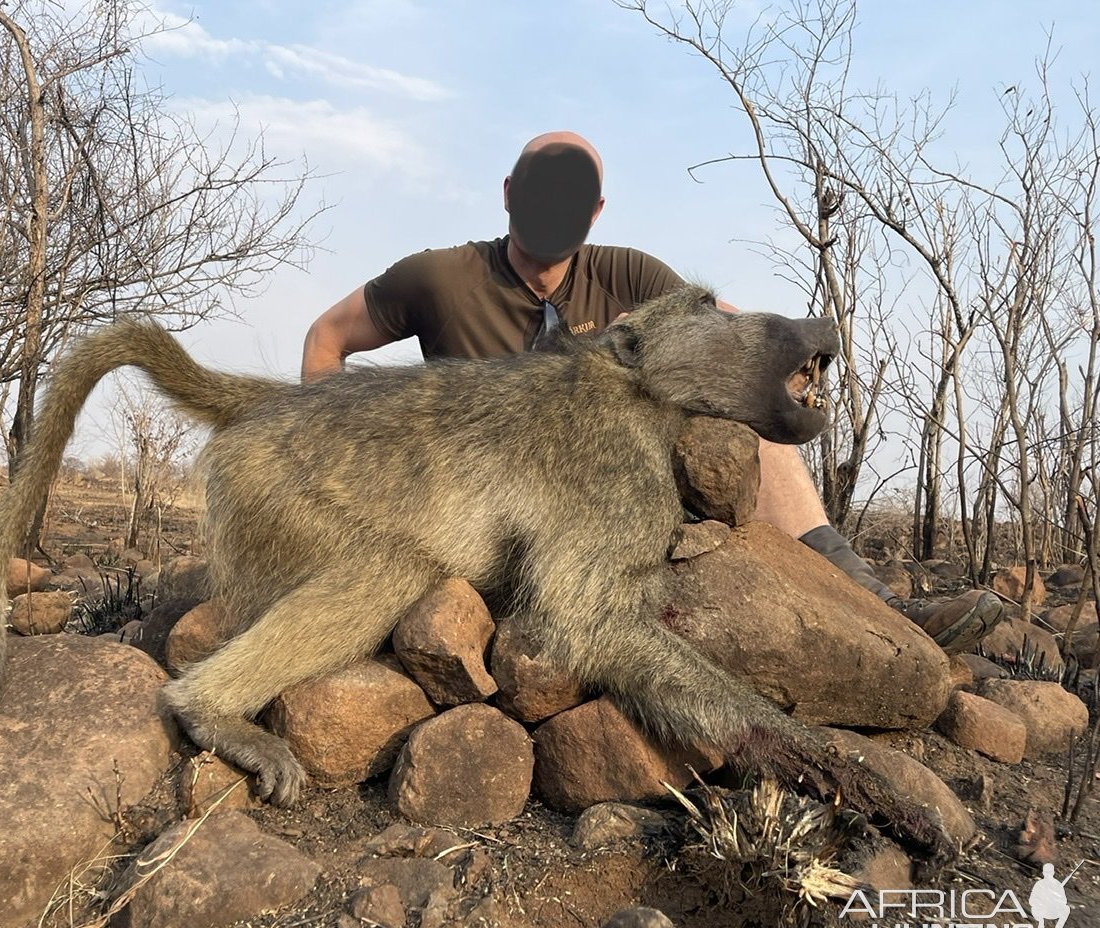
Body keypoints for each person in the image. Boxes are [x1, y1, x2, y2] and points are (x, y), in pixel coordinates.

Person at [301, 130, 1002, 651]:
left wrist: (794, 359)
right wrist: (333, 465)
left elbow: (725, 337)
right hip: (478, 509)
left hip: (597, 504)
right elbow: (326, 338)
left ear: (596, 210)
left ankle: (871, 599)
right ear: (509, 194)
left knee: (735, 420)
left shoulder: (632, 275)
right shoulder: (438, 277)